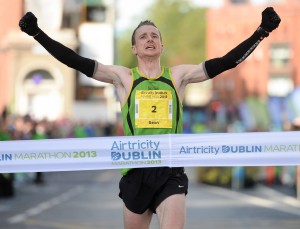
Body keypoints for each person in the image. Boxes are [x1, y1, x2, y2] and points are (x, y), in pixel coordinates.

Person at [19, 7, 281, 229]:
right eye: (143, 36)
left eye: (154, 35)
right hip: (136, 171)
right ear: (135, 47)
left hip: (170, 170)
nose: (149, 38)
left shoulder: (178, 77)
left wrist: (261, 33)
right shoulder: (123, 78)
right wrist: (37, 34)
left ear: (161, 45)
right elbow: (75, 61)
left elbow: (226, 62)